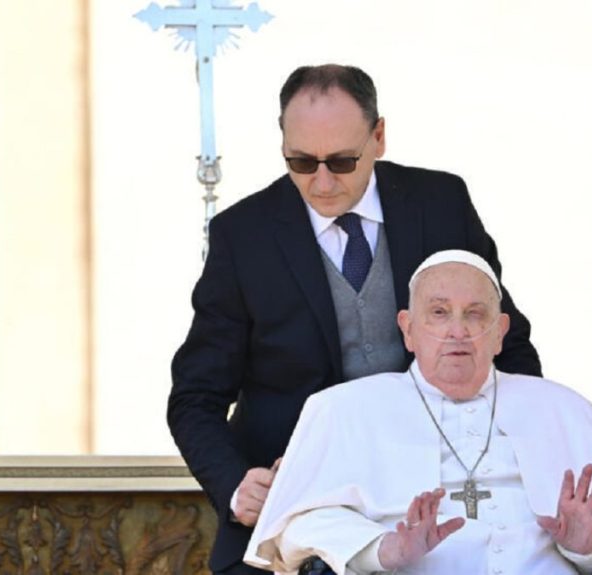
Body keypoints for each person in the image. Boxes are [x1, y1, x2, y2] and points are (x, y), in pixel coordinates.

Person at [168, 65, 542, 575]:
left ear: (379, 137)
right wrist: (236, 485)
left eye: (342, 161)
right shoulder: (242, 235)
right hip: (298, 505)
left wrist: (518, 466)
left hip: (437, 497)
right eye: (301, 162)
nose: (321, 182)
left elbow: (509, 347)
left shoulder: (440, 204)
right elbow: (195, 397)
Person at [244, 250, 592, 574]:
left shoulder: (562, 408)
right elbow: (292, 531)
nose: (457, 330)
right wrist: (383, 549)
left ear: (500, 333)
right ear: (408, 330)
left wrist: (586, 546)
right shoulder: (342, 409)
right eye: (438, 313)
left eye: (475, 315)